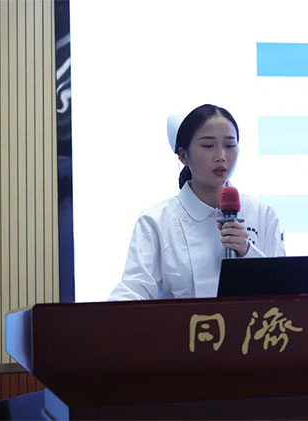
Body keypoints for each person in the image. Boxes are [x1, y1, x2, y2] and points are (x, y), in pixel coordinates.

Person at [109, 104, 285, 300]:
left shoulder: (262, 213)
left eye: (229, 145)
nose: (221, 156)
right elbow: (134, 290)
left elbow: (285, 289)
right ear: (183, 155)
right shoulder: (156, 221)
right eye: (208, 146)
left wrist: (247, 251)